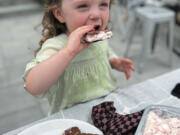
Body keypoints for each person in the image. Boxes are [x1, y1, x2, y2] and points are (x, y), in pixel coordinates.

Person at [23, 0, 135, 115]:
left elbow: (106, 51)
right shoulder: (56, 46)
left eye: (103, 4)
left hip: (108, 108)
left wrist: (113, 61)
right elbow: (33, 86)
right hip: (72, 118)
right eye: (83, 6)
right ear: (60, 14)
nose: (96, 14)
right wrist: (68, 52)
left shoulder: (98, 38)